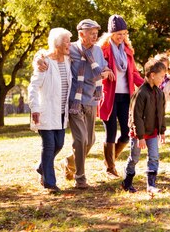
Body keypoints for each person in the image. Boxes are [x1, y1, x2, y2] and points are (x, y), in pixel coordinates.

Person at [37, 19, 111, 189]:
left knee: (90, 141)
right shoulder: (72, 50)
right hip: (75, 103)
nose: (95, 35)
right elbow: (51, 52)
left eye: (96, 32)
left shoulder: (98, 51)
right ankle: (80, 177)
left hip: (92, 100)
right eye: (91, 32)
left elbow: (104, 67)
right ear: (81, 34)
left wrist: (107, 71)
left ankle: (69, 163)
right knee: (80, 140)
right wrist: (38, 58)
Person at [97, 15, 144, 178]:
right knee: (110, 132)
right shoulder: (102, 51)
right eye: (118, 34)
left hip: (126, 96)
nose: (122, 37)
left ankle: (110, 160)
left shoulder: (127, 51)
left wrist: (146, 86)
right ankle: (110, 168)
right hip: (109, 96)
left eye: (124, 33)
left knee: (126, 132)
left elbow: (133, 72)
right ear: (111, 34)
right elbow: (98, 70)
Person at [28, 28, 72, 193]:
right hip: (46, 112)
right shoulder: (45, 62)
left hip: (61, 113)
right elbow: (33, 87)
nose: (69, 44)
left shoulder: (68, 60)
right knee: (49, 146)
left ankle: (41, 168)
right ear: (57, 44)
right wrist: (35, 108)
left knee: (59, 144)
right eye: (66, 41)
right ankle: (50, 183)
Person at [121, 59, 167, 195]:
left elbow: (161, 114)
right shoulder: (141, 93)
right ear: (152, 75)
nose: (163, 79)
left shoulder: (160, 93)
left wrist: (162, 131)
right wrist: (140, 137)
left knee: (154, 156)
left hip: (152, 132)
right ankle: (127, 180)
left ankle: (151, 185)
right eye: (161, 76)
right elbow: (136, 117)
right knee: (134, 158)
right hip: (138, 133)